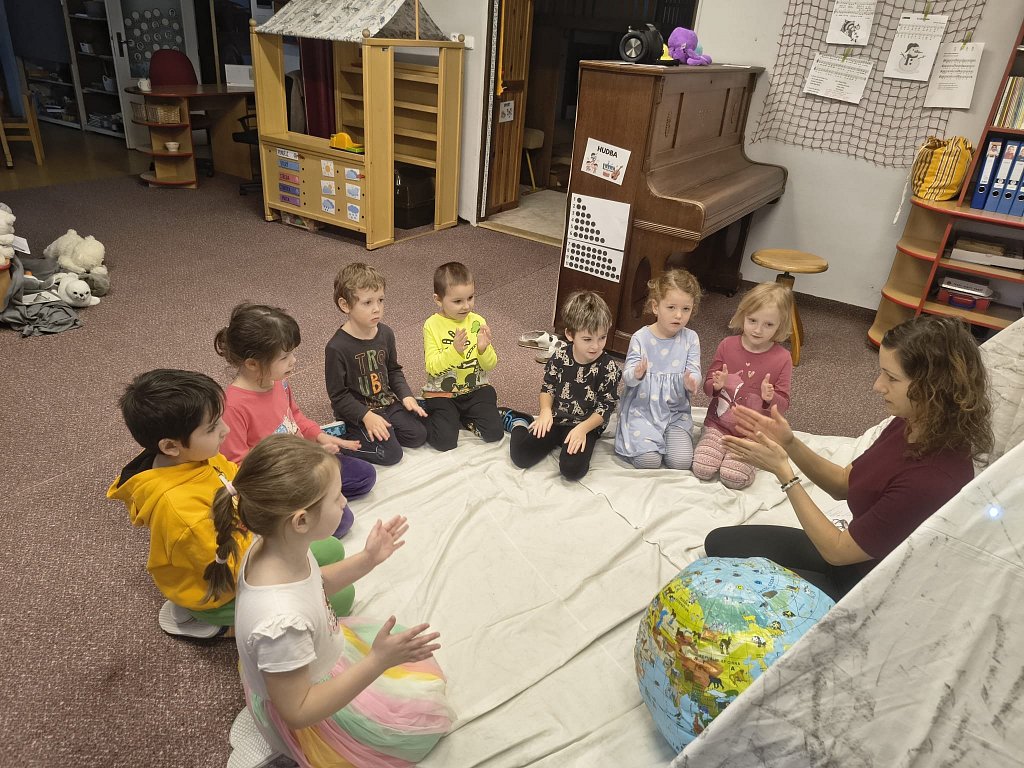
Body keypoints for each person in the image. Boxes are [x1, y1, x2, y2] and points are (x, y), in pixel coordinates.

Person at [705, 315, 993, 601]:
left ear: (934, 388)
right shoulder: (912, 421)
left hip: (866, 589)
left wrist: (785, 475)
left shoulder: (932, 480)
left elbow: (838, 551)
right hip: (848, 557)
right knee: (718, 544)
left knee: (723, 586)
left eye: (892, 378)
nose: (878, 386)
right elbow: (844, 483)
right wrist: (789, 442)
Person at [220, 434, 452, 765]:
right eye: (336, 497)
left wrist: (368, 559)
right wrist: (377, 661)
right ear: (301, 521)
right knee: (416, 728)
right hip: (311, 710)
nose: (344, 502)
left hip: (314, 658)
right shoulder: (280, 624)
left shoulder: (274, 545)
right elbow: (299, 711)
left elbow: (313, 586)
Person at [108, 369, 355, 640]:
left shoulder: (197, 455)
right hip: (219, 590)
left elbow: (237, 481)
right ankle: (213, 624)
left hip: (247, 541)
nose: (225, 430)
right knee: (341, 598)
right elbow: (236, 569)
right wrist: (282, 551)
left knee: (330, 547)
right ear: (170, 446)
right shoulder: (182, 514)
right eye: (212, 427)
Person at [215, 303, 376, 538]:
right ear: (252, 364)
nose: (294, 361)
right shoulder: (233, 407)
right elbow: (239, 468)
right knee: (342, 522)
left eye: (292, 353)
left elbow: (296, 417)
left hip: (304, 463)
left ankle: (319, 499)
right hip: (278, 481)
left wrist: (321, 438)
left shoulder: (278, 381)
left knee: (365, 475)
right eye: (284, 357)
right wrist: (299, 469)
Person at [508, 290, 622, 480]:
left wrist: (583, 429)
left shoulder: (608, 366)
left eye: (602, 337)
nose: (596, 346)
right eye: (587, 339)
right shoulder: (560, 356)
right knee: (521, 457)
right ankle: (518, 421)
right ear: (570, 334)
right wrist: (545, 411)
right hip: (555, 420)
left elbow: (606, 407)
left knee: (572, 470)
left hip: (585, 425)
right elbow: (548, 388)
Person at [692, 282, 794, 489]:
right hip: (718, 426)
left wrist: (769, 398)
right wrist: (716, 385)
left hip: (755, 434)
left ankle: (750, 457)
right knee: (702, 468)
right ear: (743, 315)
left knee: (733, 477)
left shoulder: (783, 358)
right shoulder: (727, 345)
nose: (758, 330)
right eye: (752, 320)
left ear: (780, 325)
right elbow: (708, 389)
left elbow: (783, 405)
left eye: (768, 324)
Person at [326, 262, 427, 466]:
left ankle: (384, 431)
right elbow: (338, 396)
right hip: (359, 411)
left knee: (418, 435)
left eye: (380, 300)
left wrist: (406, 395)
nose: (377, 309)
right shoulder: (336, 347)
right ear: (345, 305)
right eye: (367, 303)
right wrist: (365, 415)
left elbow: (393, 370)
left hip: (387, 402)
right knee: (391, 455)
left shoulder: (386, 333)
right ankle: (342, 441)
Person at [615, 269, 702, 470]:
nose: (679, 315)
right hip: (642, 411)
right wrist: (637, 374)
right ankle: (644, 440)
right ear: (656, 307)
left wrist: (692, 382)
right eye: (671, 307)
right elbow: (628, 377)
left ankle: (664, 439)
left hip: (675, 414)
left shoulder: (691, 338)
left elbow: (695, 370)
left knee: (681, 462)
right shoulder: (640, 337)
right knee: (649, 461)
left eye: (686, 309)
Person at [422, 261, 502, 451]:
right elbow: (432, 366)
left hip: (475, 389)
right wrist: (454, 352)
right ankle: (425, 413)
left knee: (494, 433)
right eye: (457, 301)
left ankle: (462, 417)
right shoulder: (431, 325)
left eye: (470, 298)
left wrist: (483, 350)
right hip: (442, 393)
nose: (466, 306)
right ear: (438, 300)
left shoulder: (477, 321)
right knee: (444, 442)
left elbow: (490, 365)